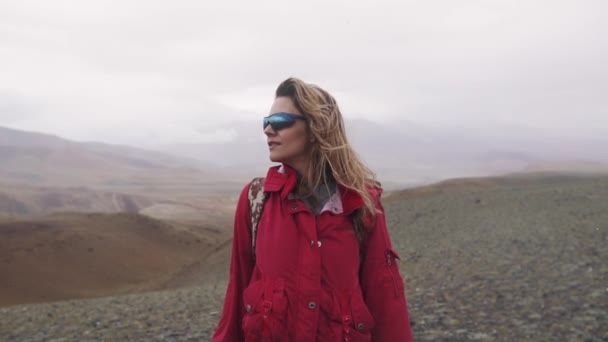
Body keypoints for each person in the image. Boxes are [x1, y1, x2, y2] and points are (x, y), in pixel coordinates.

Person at [212, 78, 413, 341]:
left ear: (317, 128)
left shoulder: (361, 204)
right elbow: (237, 293)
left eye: (281, 121)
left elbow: (386, 301)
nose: (268, 130)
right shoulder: (256, 199)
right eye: (266, 122)